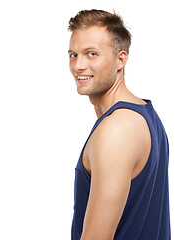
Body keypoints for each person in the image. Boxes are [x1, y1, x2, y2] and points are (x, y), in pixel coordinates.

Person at [68, 9, 171, 240]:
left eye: (91, 54)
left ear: (120, 59)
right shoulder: (145, 116)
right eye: (73, 55)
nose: (78, 66)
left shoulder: (117, 129)